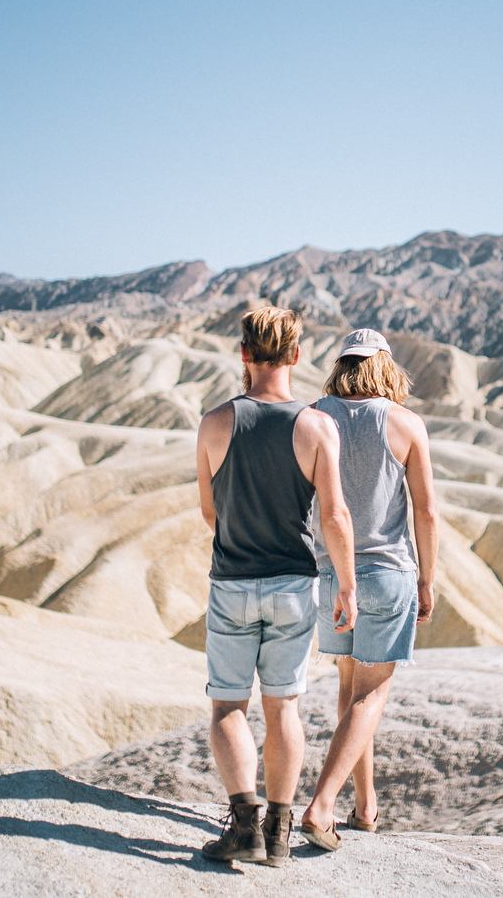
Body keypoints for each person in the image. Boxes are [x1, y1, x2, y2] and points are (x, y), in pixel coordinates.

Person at [195, 306, 357, 866]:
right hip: (294, 585)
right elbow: (334, 515)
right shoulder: (317, 426)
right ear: (295, 355)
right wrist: (348, 585)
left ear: (243, 354)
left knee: (228, 708)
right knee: (283, 706)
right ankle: (281, 833)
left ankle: (243, 827)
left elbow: (209, 513)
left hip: (233, 582)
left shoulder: (215, 422)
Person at [298, 328, 438, 852]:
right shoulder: (404, 423)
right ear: (384, 367)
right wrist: (427, 578)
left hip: (331, 576)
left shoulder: (313, 417)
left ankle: (366, 804)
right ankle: (322, 805)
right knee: (372, 693)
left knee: (348, 691)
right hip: (387, 573)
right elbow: (425, 510)